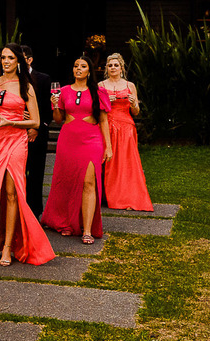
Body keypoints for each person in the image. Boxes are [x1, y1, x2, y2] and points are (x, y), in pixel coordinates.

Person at [0, 44, 56, 266]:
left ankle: (8, 246)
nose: (6, 61)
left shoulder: (26, 86)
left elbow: (36, 122)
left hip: (16, 140)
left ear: (19, 60)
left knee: (12, 193)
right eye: (3, 58)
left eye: (10, 58)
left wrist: (11, 121)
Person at [41, 55, 113, 244]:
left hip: (91, 140)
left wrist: (109, 147)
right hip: (68, 139)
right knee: (67, 180)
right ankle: (66, 221)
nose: (78, 69)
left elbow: (104, 121)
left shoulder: (99, 92)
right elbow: (58, 119)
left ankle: (87, 229)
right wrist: (55, 104)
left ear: (89, 71)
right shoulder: (63, 91)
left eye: (82, 66)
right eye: (75, 66)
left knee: (89, 182)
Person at [99, 52, 153, 211]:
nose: (113, 68)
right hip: (107, 124)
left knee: (126, 162)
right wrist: (105, 102)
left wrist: (134, 104)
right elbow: (96, 109)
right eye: (110, 65)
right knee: (108, 161)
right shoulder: (101, 86)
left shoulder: (130, 86)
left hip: (126, 127)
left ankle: (128, 195)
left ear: (121, 68)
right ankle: (106, 196)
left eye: (116, 65)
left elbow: (136, 111)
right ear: (106, 69)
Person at [22, 45, 53, 217]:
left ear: (29, 59)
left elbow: (46, 109)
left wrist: (37, 128)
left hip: (38, 133)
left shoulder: (42, 78)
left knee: (36, 173)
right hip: (16, 132)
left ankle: (35, 210)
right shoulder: (12, 80)